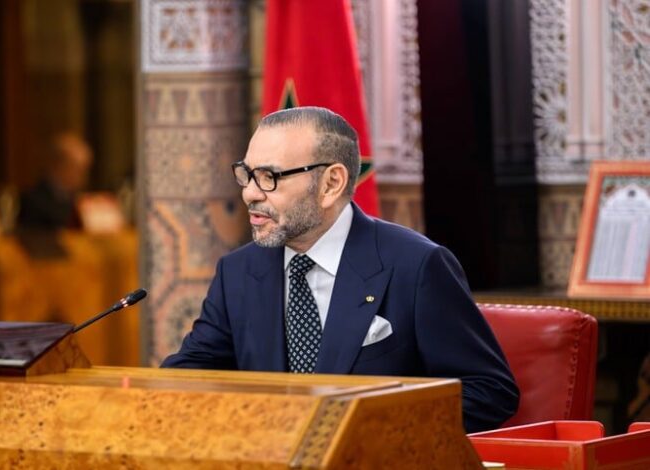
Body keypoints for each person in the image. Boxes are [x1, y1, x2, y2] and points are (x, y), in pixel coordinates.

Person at [161, 106, 519, 433]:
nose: (250, 194)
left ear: (331, 183)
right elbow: (191, 374)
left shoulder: (417, 265)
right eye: (247, 174)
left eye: (269, 176)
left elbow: (489, 390)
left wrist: (368, 430)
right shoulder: (238, 271)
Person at [17, 131, 94, 231]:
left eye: (85, 170)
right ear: (59, 165)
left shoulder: (76, 197)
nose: (83, 176)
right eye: (78, 169)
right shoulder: (33, 200)